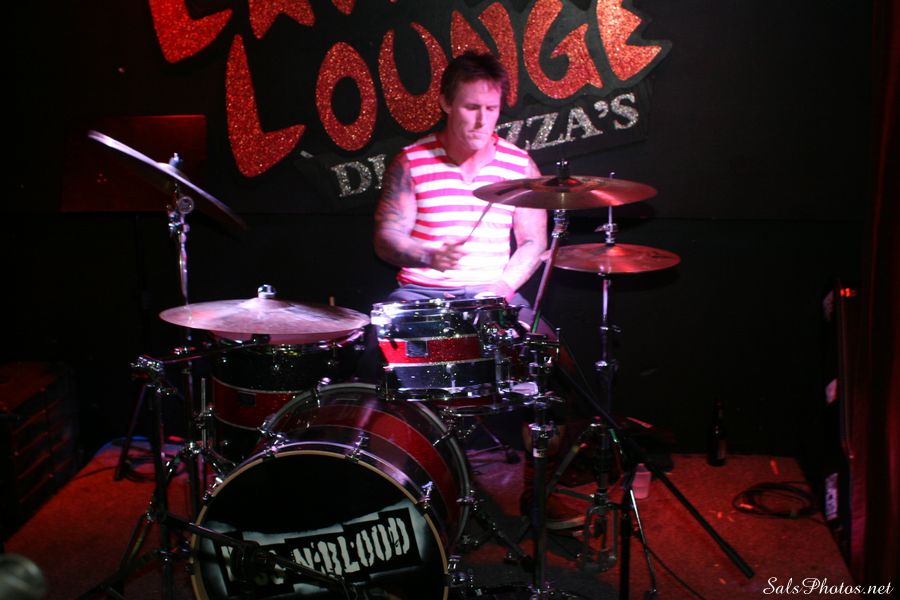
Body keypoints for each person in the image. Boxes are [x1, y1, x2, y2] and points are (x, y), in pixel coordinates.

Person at [371, 50, 587, 530]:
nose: (481, 120)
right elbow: (386, 238)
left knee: (557, 367)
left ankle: (539, 494)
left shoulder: (517, 163)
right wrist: (427, 254)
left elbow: (532, 242)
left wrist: (502, 286)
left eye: (491, 109)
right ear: (446, 103)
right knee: (380, 360)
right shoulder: (412, 160)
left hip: (493, 294)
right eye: (471, 107)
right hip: (422, 294)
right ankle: (403, 491)